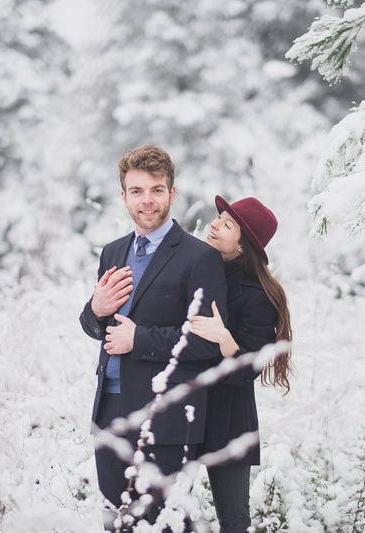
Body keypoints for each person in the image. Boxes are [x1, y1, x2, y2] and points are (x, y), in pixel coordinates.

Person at [78, 144, 227, 529]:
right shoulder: (113, 252)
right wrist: (95, 309)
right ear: (123, 196)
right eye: (138, 191)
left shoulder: (199, 258)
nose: (148, 200)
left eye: (157, 190)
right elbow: (96, 325)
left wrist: (139, 339)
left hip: (167, 420)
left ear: (172, 193)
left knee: (166, 525)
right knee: (118, 523)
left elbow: (208, 342)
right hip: (110, 413)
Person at [188, 195, 293, 533]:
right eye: (219, 217)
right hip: (186, 414)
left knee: (233, 521)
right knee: (173, 515)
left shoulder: (258, 294)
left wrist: (223, 337)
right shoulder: (198, 270)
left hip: (229, 422)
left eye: (227, 224)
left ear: (243, 245)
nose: (215, 224)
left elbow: (250, 367)